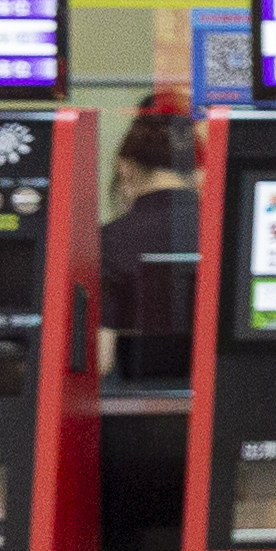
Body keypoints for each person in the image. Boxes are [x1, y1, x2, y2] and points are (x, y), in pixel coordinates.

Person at [98, 90, 200, 384]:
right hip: (221, 399)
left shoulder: (109, 240)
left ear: (125, 168)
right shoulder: (225, 233)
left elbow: (101, 359)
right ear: (196, 170)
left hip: (134, 402)